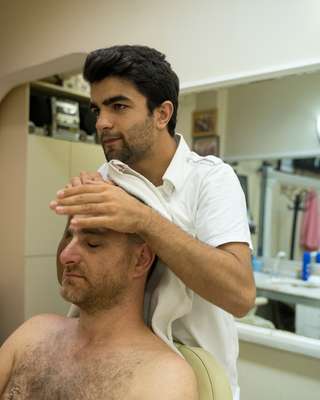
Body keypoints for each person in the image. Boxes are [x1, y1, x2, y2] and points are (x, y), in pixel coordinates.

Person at [50, 45, 256, 399]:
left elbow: (239, 295)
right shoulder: (107, 178)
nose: (101, 122)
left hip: (195, 379)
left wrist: (144, 220)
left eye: (118, 106)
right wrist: (76, 224)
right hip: (116, 371)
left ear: (162, 114)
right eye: (97, 109)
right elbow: (68, 271)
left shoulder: (211, 180)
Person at [0, 220, 198, 399]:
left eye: (92, 243)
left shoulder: (162, 376)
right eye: (69, 237)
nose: (65, 255)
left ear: (141, 259)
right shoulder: (34, 333)